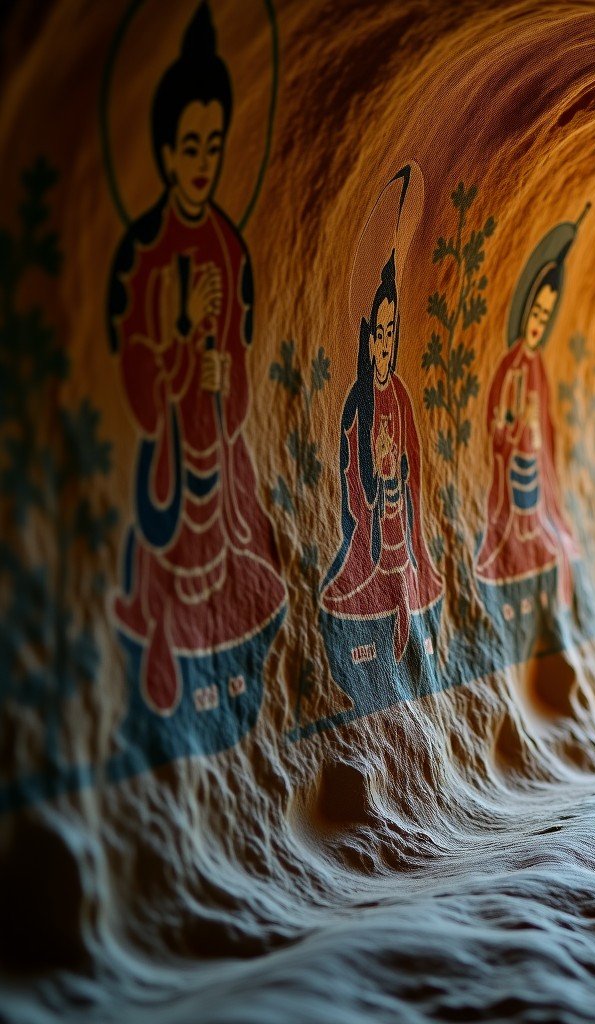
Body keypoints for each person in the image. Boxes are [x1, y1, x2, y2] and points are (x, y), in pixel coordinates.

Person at [106, 2, 285, 715]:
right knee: (170, 552)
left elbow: (239, 365)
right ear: (164, 152)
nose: (203, 163)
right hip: (172, 461)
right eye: (190, 147)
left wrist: (223, 377)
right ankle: (162, 646)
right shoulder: (145, 255)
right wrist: (180, 346)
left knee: (251, 556)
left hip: (219, 441)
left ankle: (235, 680)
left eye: (215, 146)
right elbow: (140, 389)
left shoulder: (228, 246)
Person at [320, 253, 442, 664]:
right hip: (369, 543)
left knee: (426, 588)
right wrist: (376, 475)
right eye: (380, 334)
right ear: (369, 340)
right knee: (344, 602)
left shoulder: (402, 397)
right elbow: (352, 488)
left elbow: (416, 477)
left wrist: (400, 474)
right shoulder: (359, 403)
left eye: (392, 333)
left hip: (401, 538)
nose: (386, 344)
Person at [475, 211, 587, 608]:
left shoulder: (538, 365)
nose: (539, 324)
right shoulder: (511, 366)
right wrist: (512, 427)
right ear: (525, 314)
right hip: (513, 480)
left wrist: (538, 436)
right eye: (536, 315)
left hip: (535, 479)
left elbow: (548, 427)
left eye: (546, 316)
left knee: (555, 543)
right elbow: (497, 423)